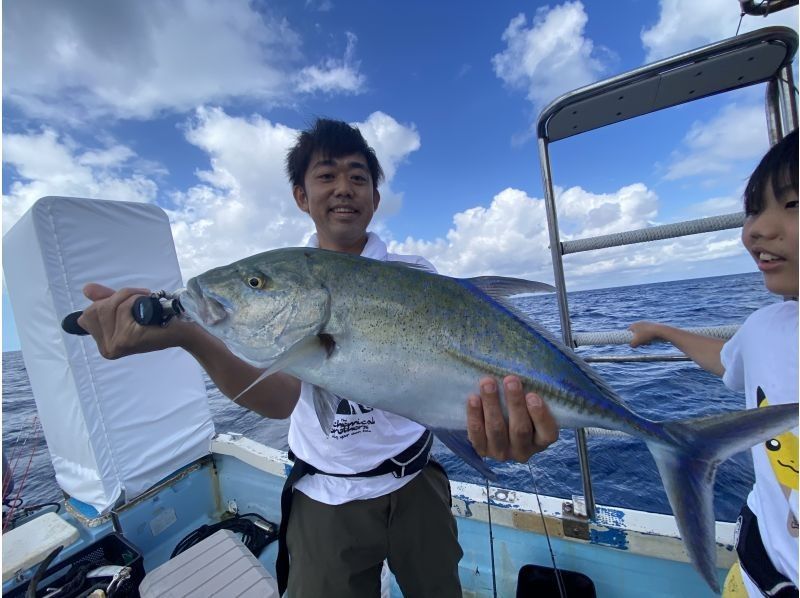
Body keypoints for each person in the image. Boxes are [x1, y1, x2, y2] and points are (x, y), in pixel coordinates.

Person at [78, 117, 559, 597]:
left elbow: (459, 381)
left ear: (375, 196)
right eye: (326, 176)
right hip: (327, 498)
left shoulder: (415, 275)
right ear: (301, 196)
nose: (344, 188)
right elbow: (281, 399)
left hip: (418, 483)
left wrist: (500, 419)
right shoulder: (293, 277)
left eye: (358, 176)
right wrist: (191, 336)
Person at [628, 129, 798, 598]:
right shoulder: (766, 325)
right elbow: (728, 362)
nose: (758, 229)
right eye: (754, 210)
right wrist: (663, 330)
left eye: (792, 204)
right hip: (752, 576)